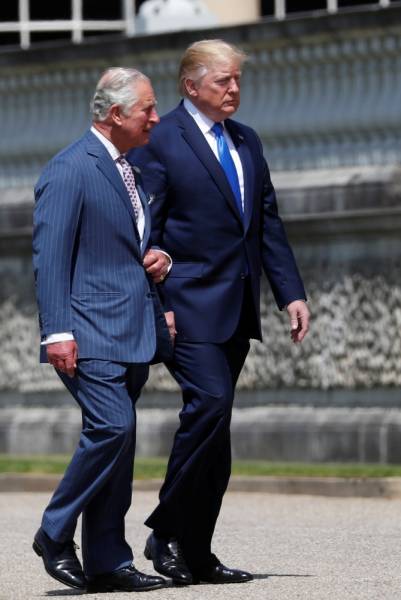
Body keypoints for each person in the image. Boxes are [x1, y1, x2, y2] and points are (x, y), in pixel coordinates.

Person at [129, 39, 310, 586]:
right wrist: (157, 306)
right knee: (210, 405)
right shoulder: (160, 141)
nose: (234, 89)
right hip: (185, 307)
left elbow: (267, 224)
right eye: (222, 81)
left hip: (236, 308)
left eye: (236, 80)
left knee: (218, 431)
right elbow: (145, 232)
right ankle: (164, 531)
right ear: (191, 86)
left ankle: (198, 550)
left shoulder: (247, 141)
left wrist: (291, 293)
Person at [32, 67, 173, 593]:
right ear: (116, 116)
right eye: (148, 110)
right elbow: (50, 259)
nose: (156, 119)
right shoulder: (70, 169)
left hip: (131, 328)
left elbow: (123, 246)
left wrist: (158, 259)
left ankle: (108, 562)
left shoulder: (127, 168)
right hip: (87, 333)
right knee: (112, 427)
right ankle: (53, 532)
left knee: (120, 444)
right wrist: (57, 332)